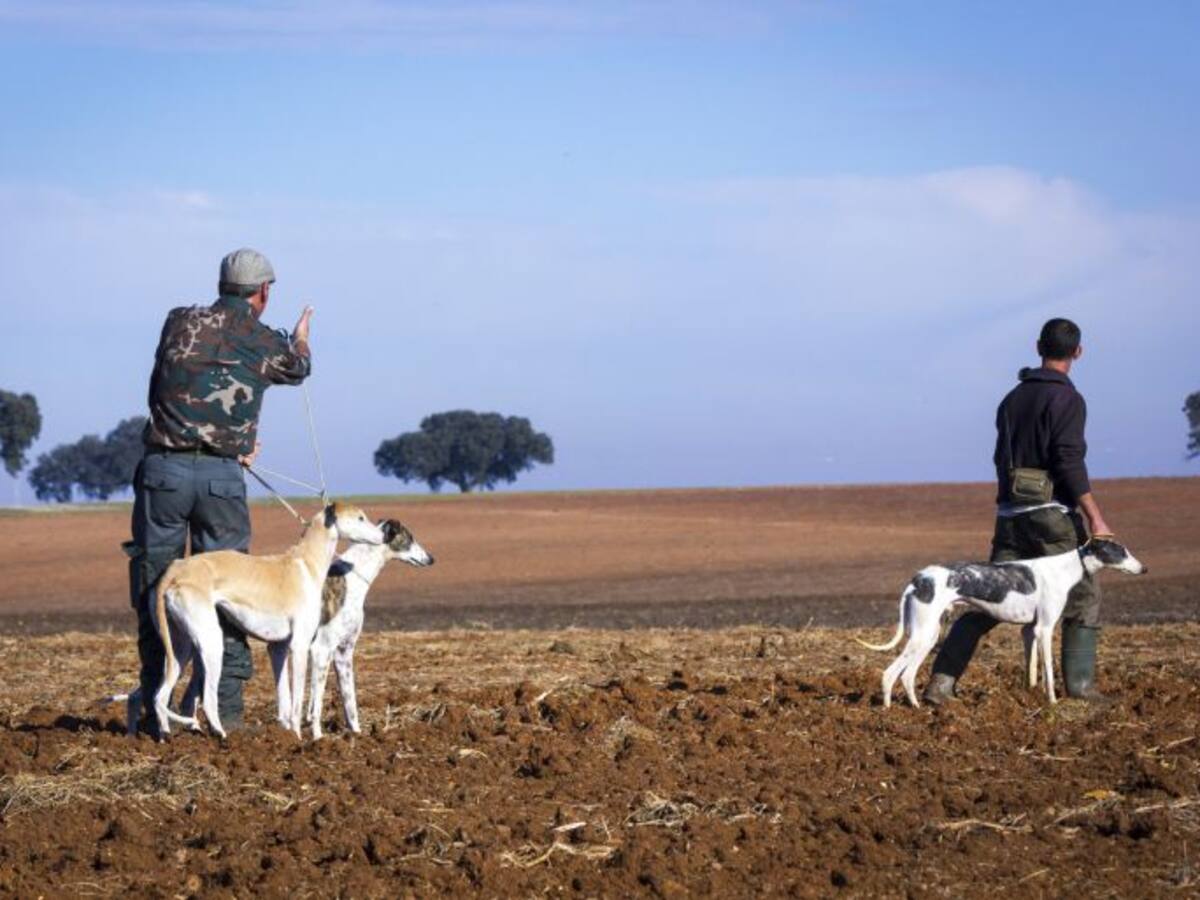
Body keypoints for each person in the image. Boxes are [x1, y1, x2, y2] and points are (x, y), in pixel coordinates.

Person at [125, 248, 313, 735]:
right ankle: (224, 713)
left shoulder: (177, 321)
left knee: (157, 587)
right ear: (263, 292)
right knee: (231, 587)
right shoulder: (262, 339)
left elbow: (161, 388)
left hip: (162, 472)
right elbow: (297, 368)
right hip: (220, 479)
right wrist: (300, 338)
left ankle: (156, 709)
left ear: (221, 285)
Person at [923, 318, 1114, 705]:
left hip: (1010, 516)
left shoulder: (1011, 400)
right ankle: (1080, 690)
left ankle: (940, 685)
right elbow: (1068, 460)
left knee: (986, 600)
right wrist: (1095, 516)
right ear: (1078, 352)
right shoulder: (1068, 400)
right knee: (1083, 596)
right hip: (1052, 517)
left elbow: (1000, 459)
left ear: (1038, 347)